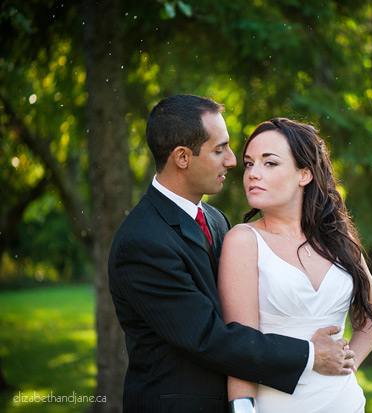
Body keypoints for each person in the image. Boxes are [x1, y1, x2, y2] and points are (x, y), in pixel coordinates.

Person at [108, 95, 356, 413]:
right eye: (219, 149)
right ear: (182, 157)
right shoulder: (143, 241)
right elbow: (208, 338)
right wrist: (310, 355)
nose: (232, 161)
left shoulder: (215, 219)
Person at [218, 118, 372, 412]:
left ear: (304, 173)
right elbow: (240, 350)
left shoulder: (338, 238)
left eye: (269, 163)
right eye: (249, 164)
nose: (253, 174)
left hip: (346, 404)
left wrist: (348, 366)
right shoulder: (243, 241)